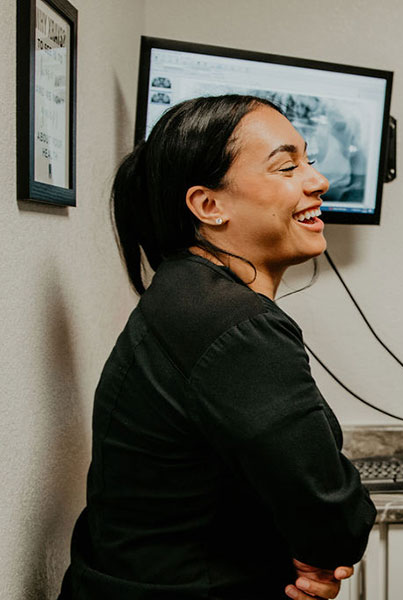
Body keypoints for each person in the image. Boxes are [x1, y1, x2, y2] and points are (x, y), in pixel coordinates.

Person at [58, 95, 376, 599]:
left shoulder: (182, 291)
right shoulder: (235, 328)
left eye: (308, 160)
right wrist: (317, 553)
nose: (317, 181)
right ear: (209, 206)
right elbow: (336, 519)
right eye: (287, 166)